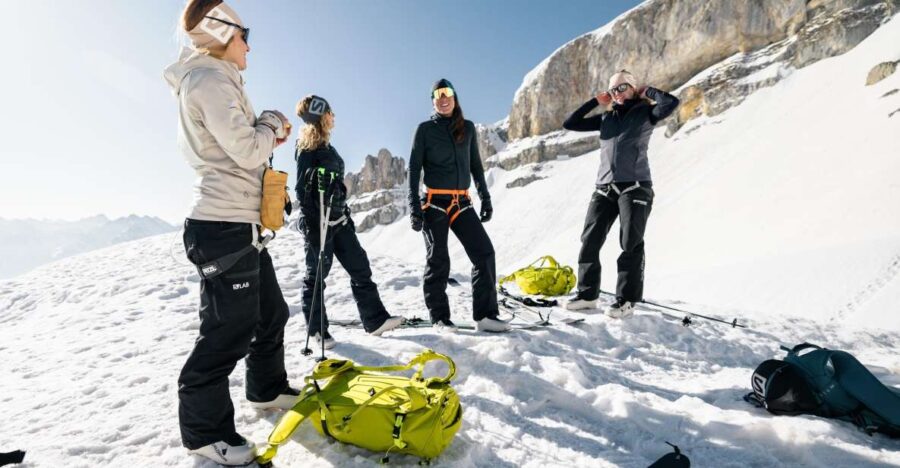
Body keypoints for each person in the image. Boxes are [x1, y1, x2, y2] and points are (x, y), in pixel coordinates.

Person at [163, 1, 296, 464]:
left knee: (270, 312)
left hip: (240, 223)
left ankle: (266, 388)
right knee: (227, 332)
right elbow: (246, 149)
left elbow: (243, 150)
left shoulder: (218, 79)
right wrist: (271, 124)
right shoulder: (209, 80)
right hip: (221, 225)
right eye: (244, 35)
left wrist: (265, 135)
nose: (249, 46)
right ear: (221, 34)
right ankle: (205, 433)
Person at [562, 70, 679, 318]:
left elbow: (671, 103)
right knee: (590, 240)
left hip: (636, 186)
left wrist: (648, 92)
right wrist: (596, 101)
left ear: (633, 88)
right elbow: (570, 123)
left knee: (630, 243)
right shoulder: (607, 118)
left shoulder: (647, 112)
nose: (617, 93)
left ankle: (626, 300)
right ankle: (587, 295)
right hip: (604, 187)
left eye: (622, 87)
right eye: (613, 89)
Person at [294, 95, 404, 348]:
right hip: (319, 222)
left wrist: (342, 203)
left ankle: (375, 320)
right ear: (320, 116)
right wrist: (312, 224)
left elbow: (336, 187)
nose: (333, 116)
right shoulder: (306, 149)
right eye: (330, 112)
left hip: (339, 220)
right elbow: (301, 190)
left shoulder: (328, 147)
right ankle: (317, 331)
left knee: (360, 267)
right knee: (316, 275)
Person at [407, 79, 510, 333]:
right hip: (434, 204)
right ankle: (440, 318)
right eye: (438, 95)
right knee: (438, 259)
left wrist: (485, 197)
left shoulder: (468, 128)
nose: (443, 99)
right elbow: (414, 170)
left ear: (455, 97)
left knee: (484, 253)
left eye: (447, 93)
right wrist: (414, 207)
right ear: (433, 101)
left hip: (462, 202)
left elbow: (475, 165)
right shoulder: (424, 130)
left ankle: (485, 315)